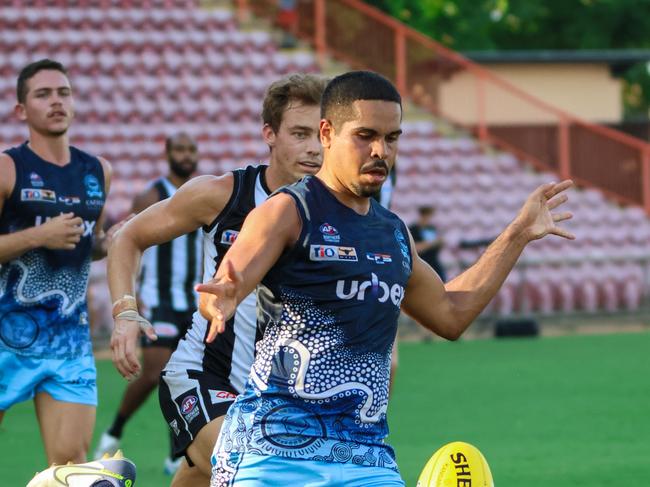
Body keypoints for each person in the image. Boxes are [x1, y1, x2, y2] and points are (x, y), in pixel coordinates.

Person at [196, 70, 574, 486]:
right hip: (271, 452)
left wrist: (517, 234)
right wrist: (223, 296)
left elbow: (450, 315)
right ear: (327, 133)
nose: (381, 151)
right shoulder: (287, 211)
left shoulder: (394, 232)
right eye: (365, 135)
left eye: (392, 138)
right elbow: (232, 277)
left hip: (366, 458)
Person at [107, 73, 328, 486]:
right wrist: (124, 312)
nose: (314, 149)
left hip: (279, 399)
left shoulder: (341, 214)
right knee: (256, 469)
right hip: (205, 376)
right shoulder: (222, 194)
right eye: (299, 133)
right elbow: (127, 237)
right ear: (270, 134)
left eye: (320, 135)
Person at [0, 59, 120, 465]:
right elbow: (49, 238)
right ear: (21, 110)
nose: (56, 101)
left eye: (63, 93)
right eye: (43, 94)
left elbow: (89, 245)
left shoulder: (98, 171)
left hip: (67, 341)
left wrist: (114, 241)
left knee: (70, 468)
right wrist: (39, 236)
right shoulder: (7, 168)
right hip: (4, 335)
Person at [94, 133, 202, 475]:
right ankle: (114, 431)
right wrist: (134, 296)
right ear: (168, 155)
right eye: (180, 150)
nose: (186, 156)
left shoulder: (205, 194)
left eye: (191, 150)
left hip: (193, 301)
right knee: (156, 372)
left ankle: (176, 453)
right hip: (158, 299)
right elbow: (128, 242)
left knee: (189, 377)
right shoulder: (151, 195)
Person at [408, 205, 446, 282]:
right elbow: (415, 248)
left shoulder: (432, 228)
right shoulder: (413, 229)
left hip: (434, 263)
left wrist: (440, 243)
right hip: (420, 264)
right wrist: (432, 243)